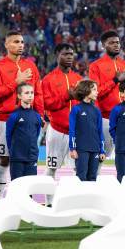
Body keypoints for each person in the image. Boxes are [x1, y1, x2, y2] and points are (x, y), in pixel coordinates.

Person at [0, 31, 44, 201]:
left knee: (26, 158)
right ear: (6, 45)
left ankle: (25, 200)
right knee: (4, 159)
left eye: (21, 41)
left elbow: (39, 93)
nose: (20, 44)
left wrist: (40, 115)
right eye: (15, 42)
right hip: (6, 120)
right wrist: (17, 81)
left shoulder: (31, 66)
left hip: (28, 119)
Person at [88, 30, 125, 160]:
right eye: (111, 43)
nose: (116, 45)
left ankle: (124, 180)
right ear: (103, 46)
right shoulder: (96, 66)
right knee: (101, 156)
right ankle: (93, 179)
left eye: (117, 42)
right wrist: (115, 80)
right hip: (105, 119)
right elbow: (95, 92)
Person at [42, 44, 82, 180]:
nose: (70, 57)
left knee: (78, 169)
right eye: (65, 54)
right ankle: (49, 202)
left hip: (76, 131)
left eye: (71, 54)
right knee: (51, 168)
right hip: (57, 131)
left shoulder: (78, 79)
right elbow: (46, 104)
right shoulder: (48, 79)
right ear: (57, 55)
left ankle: (76, 200)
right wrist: (66, 96)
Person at [69, 80, 106, 181]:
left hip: (95, 150)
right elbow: (72, 130)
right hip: (81, 150)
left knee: (93, 177)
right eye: (94, 89)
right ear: (86, 90)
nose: (97, 92)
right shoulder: (76, 109)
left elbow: (100, 132)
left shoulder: (97, 110)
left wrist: (102, 150)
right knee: (81, 177)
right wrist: (72, 149)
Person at [6, 83, 43, 181]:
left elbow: (36, 134)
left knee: (29, 187)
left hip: (32, 157)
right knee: (16, 186)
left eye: (32, 93)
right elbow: (8, 136)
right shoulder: (14, 116)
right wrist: (14, 151)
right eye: (27, 93)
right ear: (19, 96)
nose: (30, 95)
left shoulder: (37, 116)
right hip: (17, 157)